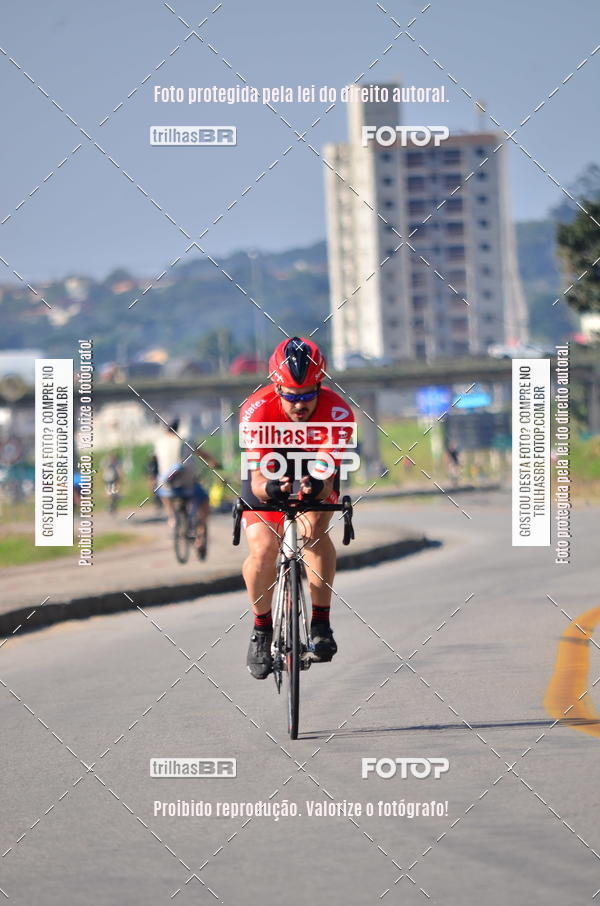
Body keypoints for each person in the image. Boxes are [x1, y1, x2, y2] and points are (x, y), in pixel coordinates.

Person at [239, 336, 355, 679]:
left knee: (315, 529)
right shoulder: (256, 411)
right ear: (277, 388)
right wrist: (272, 487)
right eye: (291, 396)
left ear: (320, 385)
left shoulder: (338, 411)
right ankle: (262, 629)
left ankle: (320, 623)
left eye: (308, 395)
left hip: (313, 467)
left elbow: (327, 472)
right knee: (263, 548)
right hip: (269, 469)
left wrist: (314, 485)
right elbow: (258, 477)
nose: (300, 405)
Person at [153, 418, 220, 553]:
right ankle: (200, 536)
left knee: (162, 491)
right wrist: (214, 462)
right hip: (187, 485)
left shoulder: (158, 443)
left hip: (167, 486)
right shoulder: (186, 439)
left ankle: (172, 517)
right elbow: (202, 454)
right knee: (204, 500)